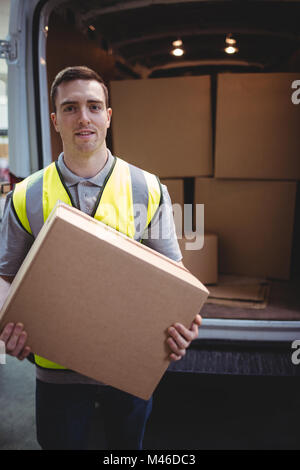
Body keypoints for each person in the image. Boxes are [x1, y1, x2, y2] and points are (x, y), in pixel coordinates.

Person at [0, 66, 202, 450]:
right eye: (71, 108)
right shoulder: (26, 195)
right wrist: (7, 322)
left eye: (94, 106)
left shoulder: (146, 189)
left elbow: (175, 277)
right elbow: (4, 275)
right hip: (56, 372)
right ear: (55, 119)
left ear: (108, 116)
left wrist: (184, 324)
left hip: (129, 369)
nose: (84, 118)